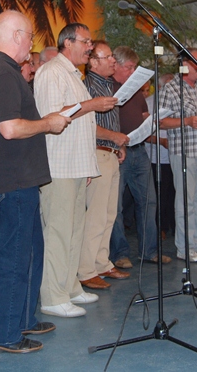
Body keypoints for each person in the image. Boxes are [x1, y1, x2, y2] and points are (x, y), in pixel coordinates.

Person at [0, 10, 70, 353]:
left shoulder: (1, 70)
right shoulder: (2, 72)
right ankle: (4, 335)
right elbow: (10, 128)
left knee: (29, 252)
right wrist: (48, 123)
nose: (31, 44)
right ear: (16, 36)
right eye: (30, 37)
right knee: (14, 259)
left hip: (18, 178)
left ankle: (23, 319)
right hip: (13, 179)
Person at [33, 23, 118, 318]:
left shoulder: (74, 75)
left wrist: (88, 165)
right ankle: (52, 296)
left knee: (74, 231)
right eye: (86, 42)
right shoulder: (51, 72)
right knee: (58, 231)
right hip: (59, 165)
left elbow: (81, 124)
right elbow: (52, 116)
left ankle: (69, 287)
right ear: (67, 43)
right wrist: (91, 104)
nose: (90, 47)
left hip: (77, 164)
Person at [111, 46, 170, 266]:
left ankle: (149, 251)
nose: (132, 71)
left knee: (148, 201)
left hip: (139, 150)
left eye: (134, 67)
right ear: (115, 65)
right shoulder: (108, 88)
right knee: (115, 206)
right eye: (129, 67)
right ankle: (119, 254)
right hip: (117, 152)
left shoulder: (135, 90)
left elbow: (144, 116)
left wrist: (153, 121)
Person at [78, 40, 129, 291]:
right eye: (108, 57)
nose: (113, 61)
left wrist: (118, 144)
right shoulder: (87, 86)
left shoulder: (108, 85)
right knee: (96, 216)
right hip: (96, 153)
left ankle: (101, 262)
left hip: (110, 153)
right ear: (93, 62)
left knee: (109, 214)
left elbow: (109, 122)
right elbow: (86, 124)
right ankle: (86, 270)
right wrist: (113, 137)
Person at [159, 49, 197, 262]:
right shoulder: (170, 89)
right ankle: (184, 247)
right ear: (184, 65)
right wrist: (186, 121)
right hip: (184, 151)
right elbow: (161, 122)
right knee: (186, 201)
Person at [147, 73, 175, 239]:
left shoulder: (179, 103)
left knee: (174, 193)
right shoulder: (149, 103)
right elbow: (143, 134)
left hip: (176, 156)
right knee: (160, 195)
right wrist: (162, 141)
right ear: (159, 88)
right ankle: (160, 227)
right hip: (156, 157)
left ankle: (174, 225)